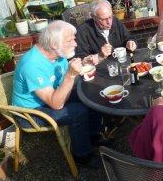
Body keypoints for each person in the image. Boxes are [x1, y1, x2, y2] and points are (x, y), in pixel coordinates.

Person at [12, 20, 104, 168]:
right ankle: (82, 155)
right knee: (78, 112)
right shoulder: (32, 64)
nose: (75, 43)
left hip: (53, 96)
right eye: (70, 40)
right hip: (31, 112)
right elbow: (56, 104)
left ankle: (94, 136)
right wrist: (70, 75)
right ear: (54, 44)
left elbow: (63, 78)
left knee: (92, 95)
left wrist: (85, 63)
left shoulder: (57, 54)